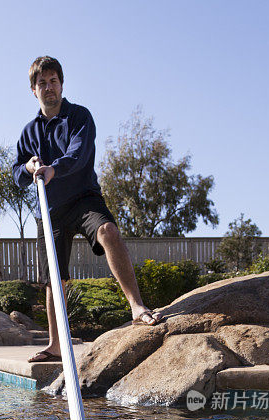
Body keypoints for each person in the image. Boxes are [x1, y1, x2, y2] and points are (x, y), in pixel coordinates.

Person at [13, 55, 161, 363]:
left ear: (62, 84)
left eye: (53, 81)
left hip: (83, 198)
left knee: (108, 231)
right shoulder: (29, 132)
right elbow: (16, 174)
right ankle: (56, 346)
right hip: (49, 210)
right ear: (33, 89)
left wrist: (54, 168)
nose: (49, 87)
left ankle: (136, 307)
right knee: (54, 278)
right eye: (42, 83)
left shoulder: (79, 116)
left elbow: (79, 153)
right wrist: (28, 168)